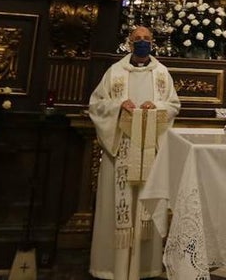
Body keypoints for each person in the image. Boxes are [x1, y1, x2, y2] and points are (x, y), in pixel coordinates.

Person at [88, 26, 181, 280]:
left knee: (145, 204)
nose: (142, 42)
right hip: (121, 148)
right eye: (137, 39)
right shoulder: (115, 72)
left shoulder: (161, 73)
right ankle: (112, 268)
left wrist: (157, 106)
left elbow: (173, 105)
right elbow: (96, 105)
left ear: (153, 43)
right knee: (118, 205)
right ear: (129, 43)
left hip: (150, 148)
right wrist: (119, 105)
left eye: (146, 39)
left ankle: (144, 268)